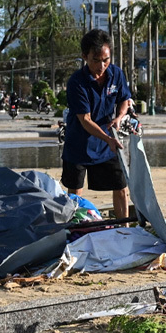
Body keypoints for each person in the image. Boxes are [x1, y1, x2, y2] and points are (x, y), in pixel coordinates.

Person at [62, 29, 134, 221]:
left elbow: (124, 99)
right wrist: (108, 138)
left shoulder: (116, 74)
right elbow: (85, 120)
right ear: (85, 56)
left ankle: (124, 227)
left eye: (106, 60)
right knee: (75, 193)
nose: (102, 66)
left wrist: (119, 117)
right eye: (96, 60)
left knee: (120, 186)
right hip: (79, 144)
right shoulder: (77, 82)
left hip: (107, 144)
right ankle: (76, 228)